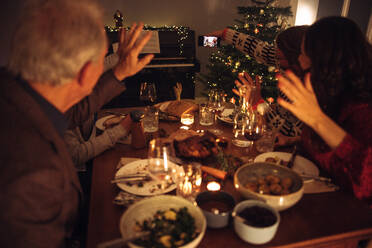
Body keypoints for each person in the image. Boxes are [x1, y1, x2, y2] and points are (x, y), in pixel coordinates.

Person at [0, 0, 153, 247]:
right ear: (85, 73)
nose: (105, 64)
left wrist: (119, 72)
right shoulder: (34, 174)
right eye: (103, 58)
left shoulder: (16, 91)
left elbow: (73, 112)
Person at [276, 16, 372, 208]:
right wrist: (294, 140)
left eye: (304, 55)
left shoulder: (364, 109)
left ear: (326, 62)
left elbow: (367, 181)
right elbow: (330, 143)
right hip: (318, 197)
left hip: (351, 215)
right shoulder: (332, 91)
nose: (300, 61)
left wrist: (317, 119)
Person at [208, 26, 307, 139]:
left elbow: (292, 132)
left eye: (279, 58)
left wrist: (259, 104)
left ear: (297, 57)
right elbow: (262, 50)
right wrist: (225, 34)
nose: (276, 61)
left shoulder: (309, 88)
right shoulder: (289, 63)